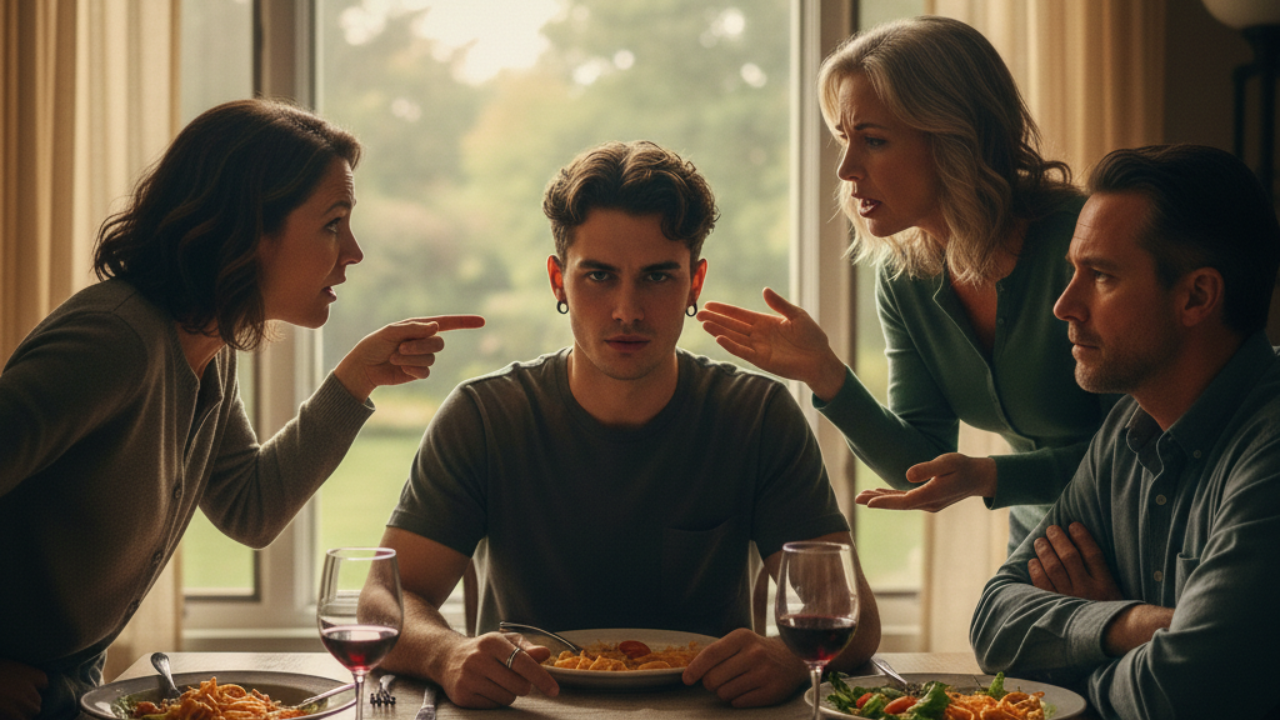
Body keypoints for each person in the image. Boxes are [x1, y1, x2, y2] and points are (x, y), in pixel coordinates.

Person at [0, 99, 484, 720]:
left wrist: (355, 379)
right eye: (333, 223)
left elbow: (249, 509)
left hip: (66, 683)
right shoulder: (114, 339)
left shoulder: (207, 347)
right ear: (249, 230)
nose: (354, 251)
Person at [374, 140, 880, 709]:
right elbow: (386, 601)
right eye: (599, 276)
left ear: (695, 284)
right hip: (527, 712)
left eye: (658, 277)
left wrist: (789, 658)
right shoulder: (484, 417)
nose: (627, 310)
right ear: (557, 281)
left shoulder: (757, 416)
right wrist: (444, 653)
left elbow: (854, 619)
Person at [696, 16, 1116, 552]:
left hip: (1151, 530)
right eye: (844, 139)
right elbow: (919, 466)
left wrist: (991, 476)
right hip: (1045, 541)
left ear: (955, 140)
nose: (846, 169)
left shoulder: (1084, 243)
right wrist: (826, 375)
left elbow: (1143, 446)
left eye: (873, 140)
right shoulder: (907, 279)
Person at [970, 145, 1280, 719]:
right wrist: (1127, 623)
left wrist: (1077, 660)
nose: (1064, 305)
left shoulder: (1270, 449)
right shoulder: (1126, 429)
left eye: (1101, 276)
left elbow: (1182, 695)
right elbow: (993, 623)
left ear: (1196, 296)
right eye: (1073, 272)